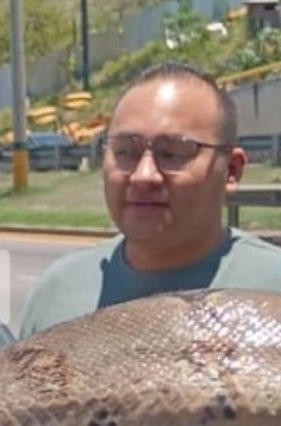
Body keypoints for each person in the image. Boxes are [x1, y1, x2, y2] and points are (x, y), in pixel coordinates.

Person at [18, 62, 281, 339]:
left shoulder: (270, 288)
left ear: (231, 171)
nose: (143, 176)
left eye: (173, 153)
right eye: (125, 151)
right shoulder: (57, 291)